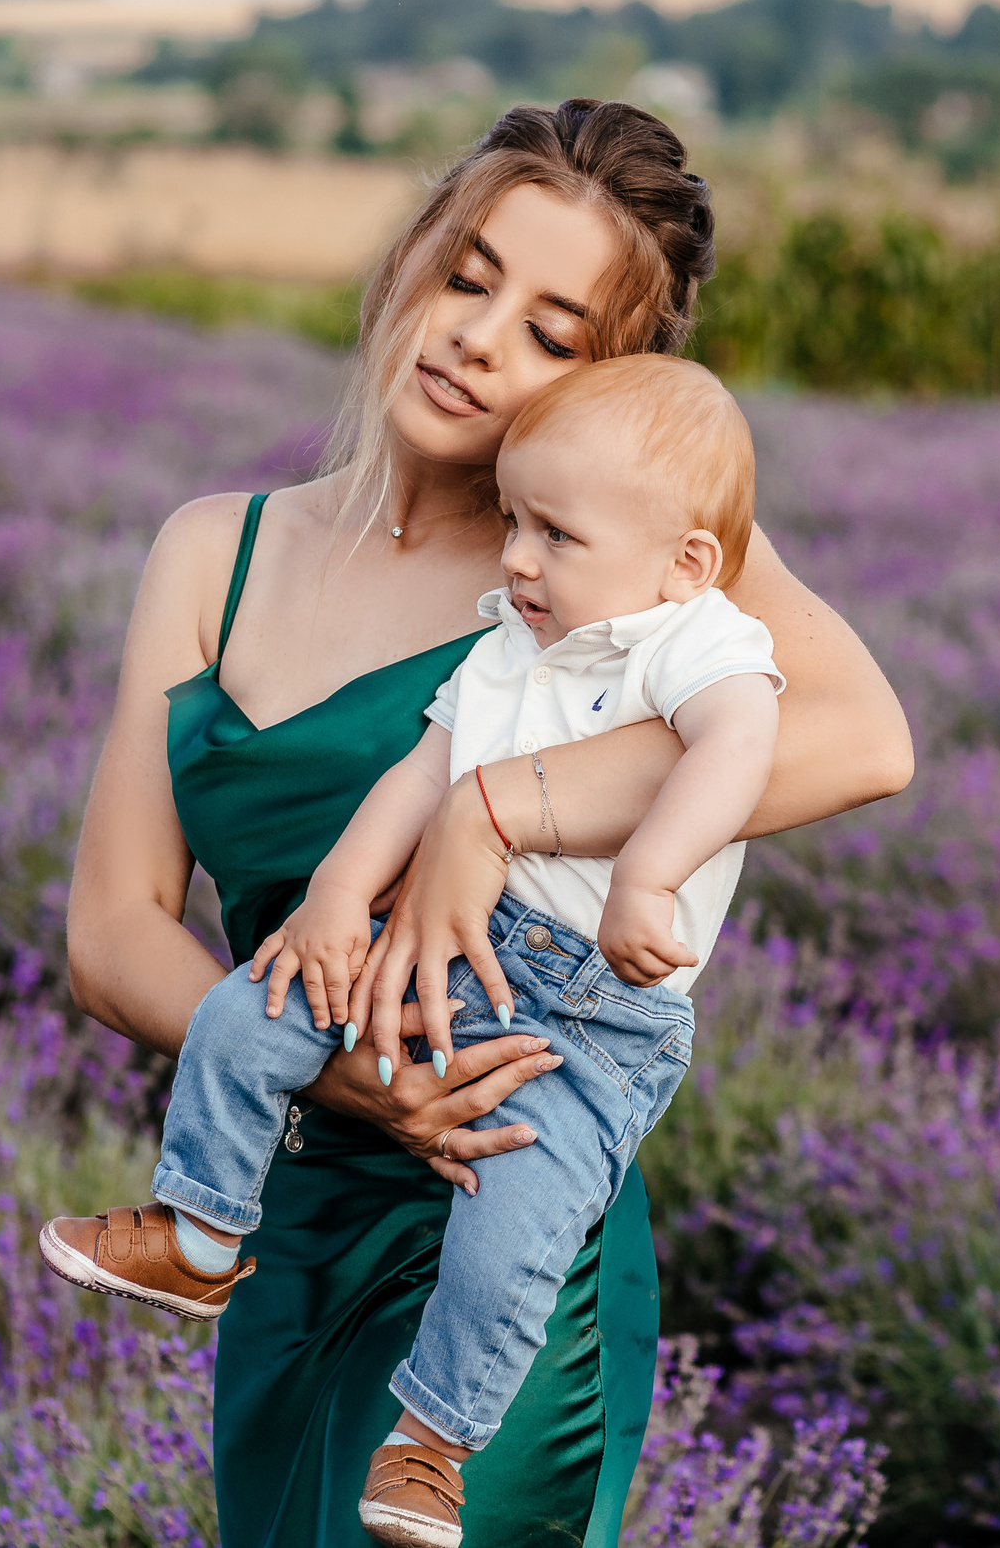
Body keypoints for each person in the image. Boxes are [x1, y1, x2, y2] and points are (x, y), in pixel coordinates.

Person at [61, 98, 913, 1548]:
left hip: (500, 1191)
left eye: (551, 331)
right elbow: (112, 931)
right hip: (286, 1212)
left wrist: (494, 808)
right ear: (408, 262)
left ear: (611, 381)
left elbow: (862, 737)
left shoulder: (618, 569)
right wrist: (339, 1078)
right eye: (469, 276)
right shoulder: (215, 546)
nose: (477, 336)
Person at [46, 355, 777, 1548]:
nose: (520, 559)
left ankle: (433, 1442)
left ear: (683, 560)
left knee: (511, 1232)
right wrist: (334, 895)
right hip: (430, 957)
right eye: (517, 523)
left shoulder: (694, 639)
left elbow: (742, 746)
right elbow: (419, 773)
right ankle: (199, 1227)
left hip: (581, 1022)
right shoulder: (509, 640)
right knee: (248, 1007)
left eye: (556, 534)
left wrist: (645, 875)